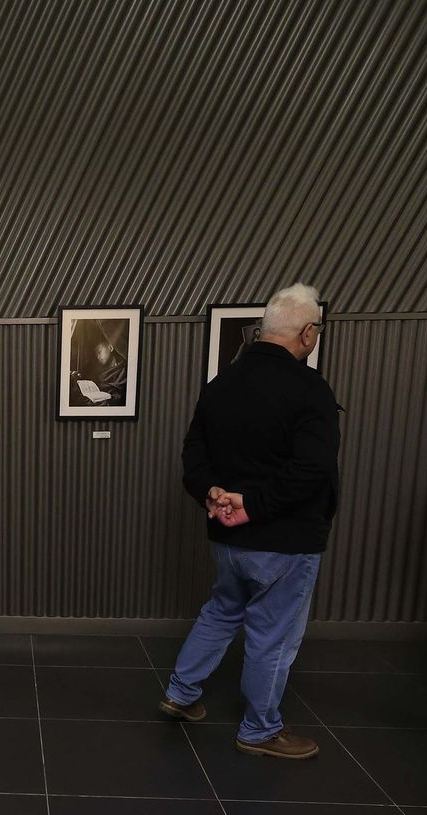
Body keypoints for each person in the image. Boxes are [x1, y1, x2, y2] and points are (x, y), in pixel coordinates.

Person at [159, 283, 338, 760]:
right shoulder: (309, 390)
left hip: (227, 534)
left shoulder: (222, 385)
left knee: (222, 609)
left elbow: (193, 454)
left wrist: (211, 492)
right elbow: (312, 470)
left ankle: (181, 693)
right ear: (306, 333)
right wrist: (253, 504)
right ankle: (260, 730)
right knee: (273, 634)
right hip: (284, 539)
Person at [68, 319, 129, 406]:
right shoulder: (97, 371)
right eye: (96, 354)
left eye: (99, 352)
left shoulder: (124, 371)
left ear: (110, 348)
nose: (97, 356)